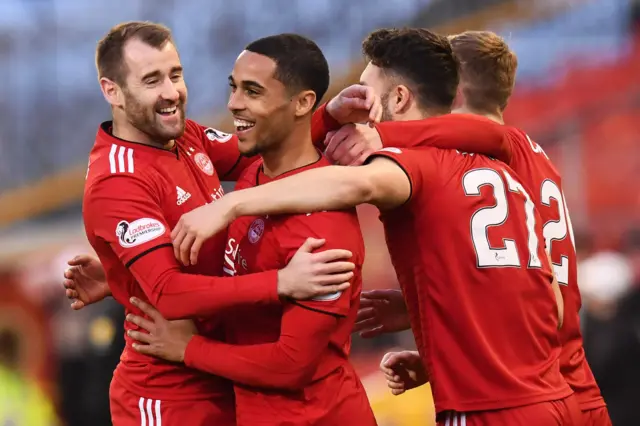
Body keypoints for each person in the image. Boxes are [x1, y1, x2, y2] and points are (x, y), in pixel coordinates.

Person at [170, 28, 581, 426]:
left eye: (366, 95)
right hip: (555, 400)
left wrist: (230, 206)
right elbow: (552, 303)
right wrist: (443, 345)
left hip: (487, 410)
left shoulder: (412, 165)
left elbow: (350, 183)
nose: (360, 110)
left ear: (398, 98)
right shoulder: (502, 170)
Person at [322, 30, 611, 426]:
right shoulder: (535, 158)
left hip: (528, 393)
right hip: (569, 387)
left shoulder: (490, 150)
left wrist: (381, 135)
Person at [83, 22, 357, 426]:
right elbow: (170, 295)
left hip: (226, 377)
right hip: (168, 394)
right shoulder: (117, 182)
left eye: (175, 75)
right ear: (112, 91)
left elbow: (271, 148)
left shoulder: (186, 138)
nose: (171, 93)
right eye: (151, 80)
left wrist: (327, 117)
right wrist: (280, 282)